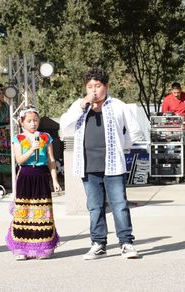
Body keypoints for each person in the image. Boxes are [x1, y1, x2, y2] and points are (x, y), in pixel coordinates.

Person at [60, 67, 143, 260]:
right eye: (90, 86)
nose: (94, 90)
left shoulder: (118, 106)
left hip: (113, 164)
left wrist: (122, 146)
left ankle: (126, 243)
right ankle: (98, 243)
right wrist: (82, 106)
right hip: (88, 164)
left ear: (106, 86)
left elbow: (135, 131)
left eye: (98, 86)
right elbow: (64, 125)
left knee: (119, 204)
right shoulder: (79, 106)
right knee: (94, 206)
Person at [5, 105, 61, 260]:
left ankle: (42, 248)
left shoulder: (45, 137)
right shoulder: (19, 139)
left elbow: (51, 160)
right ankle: (21, 248)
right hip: (26, 175)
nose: (33, 124)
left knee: (42, 212)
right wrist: (31, 149)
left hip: (41, 176)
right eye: (29, 121)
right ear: (21, 122)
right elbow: (19, 160)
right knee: (24, 211)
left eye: (35, 120)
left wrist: (54, 180)